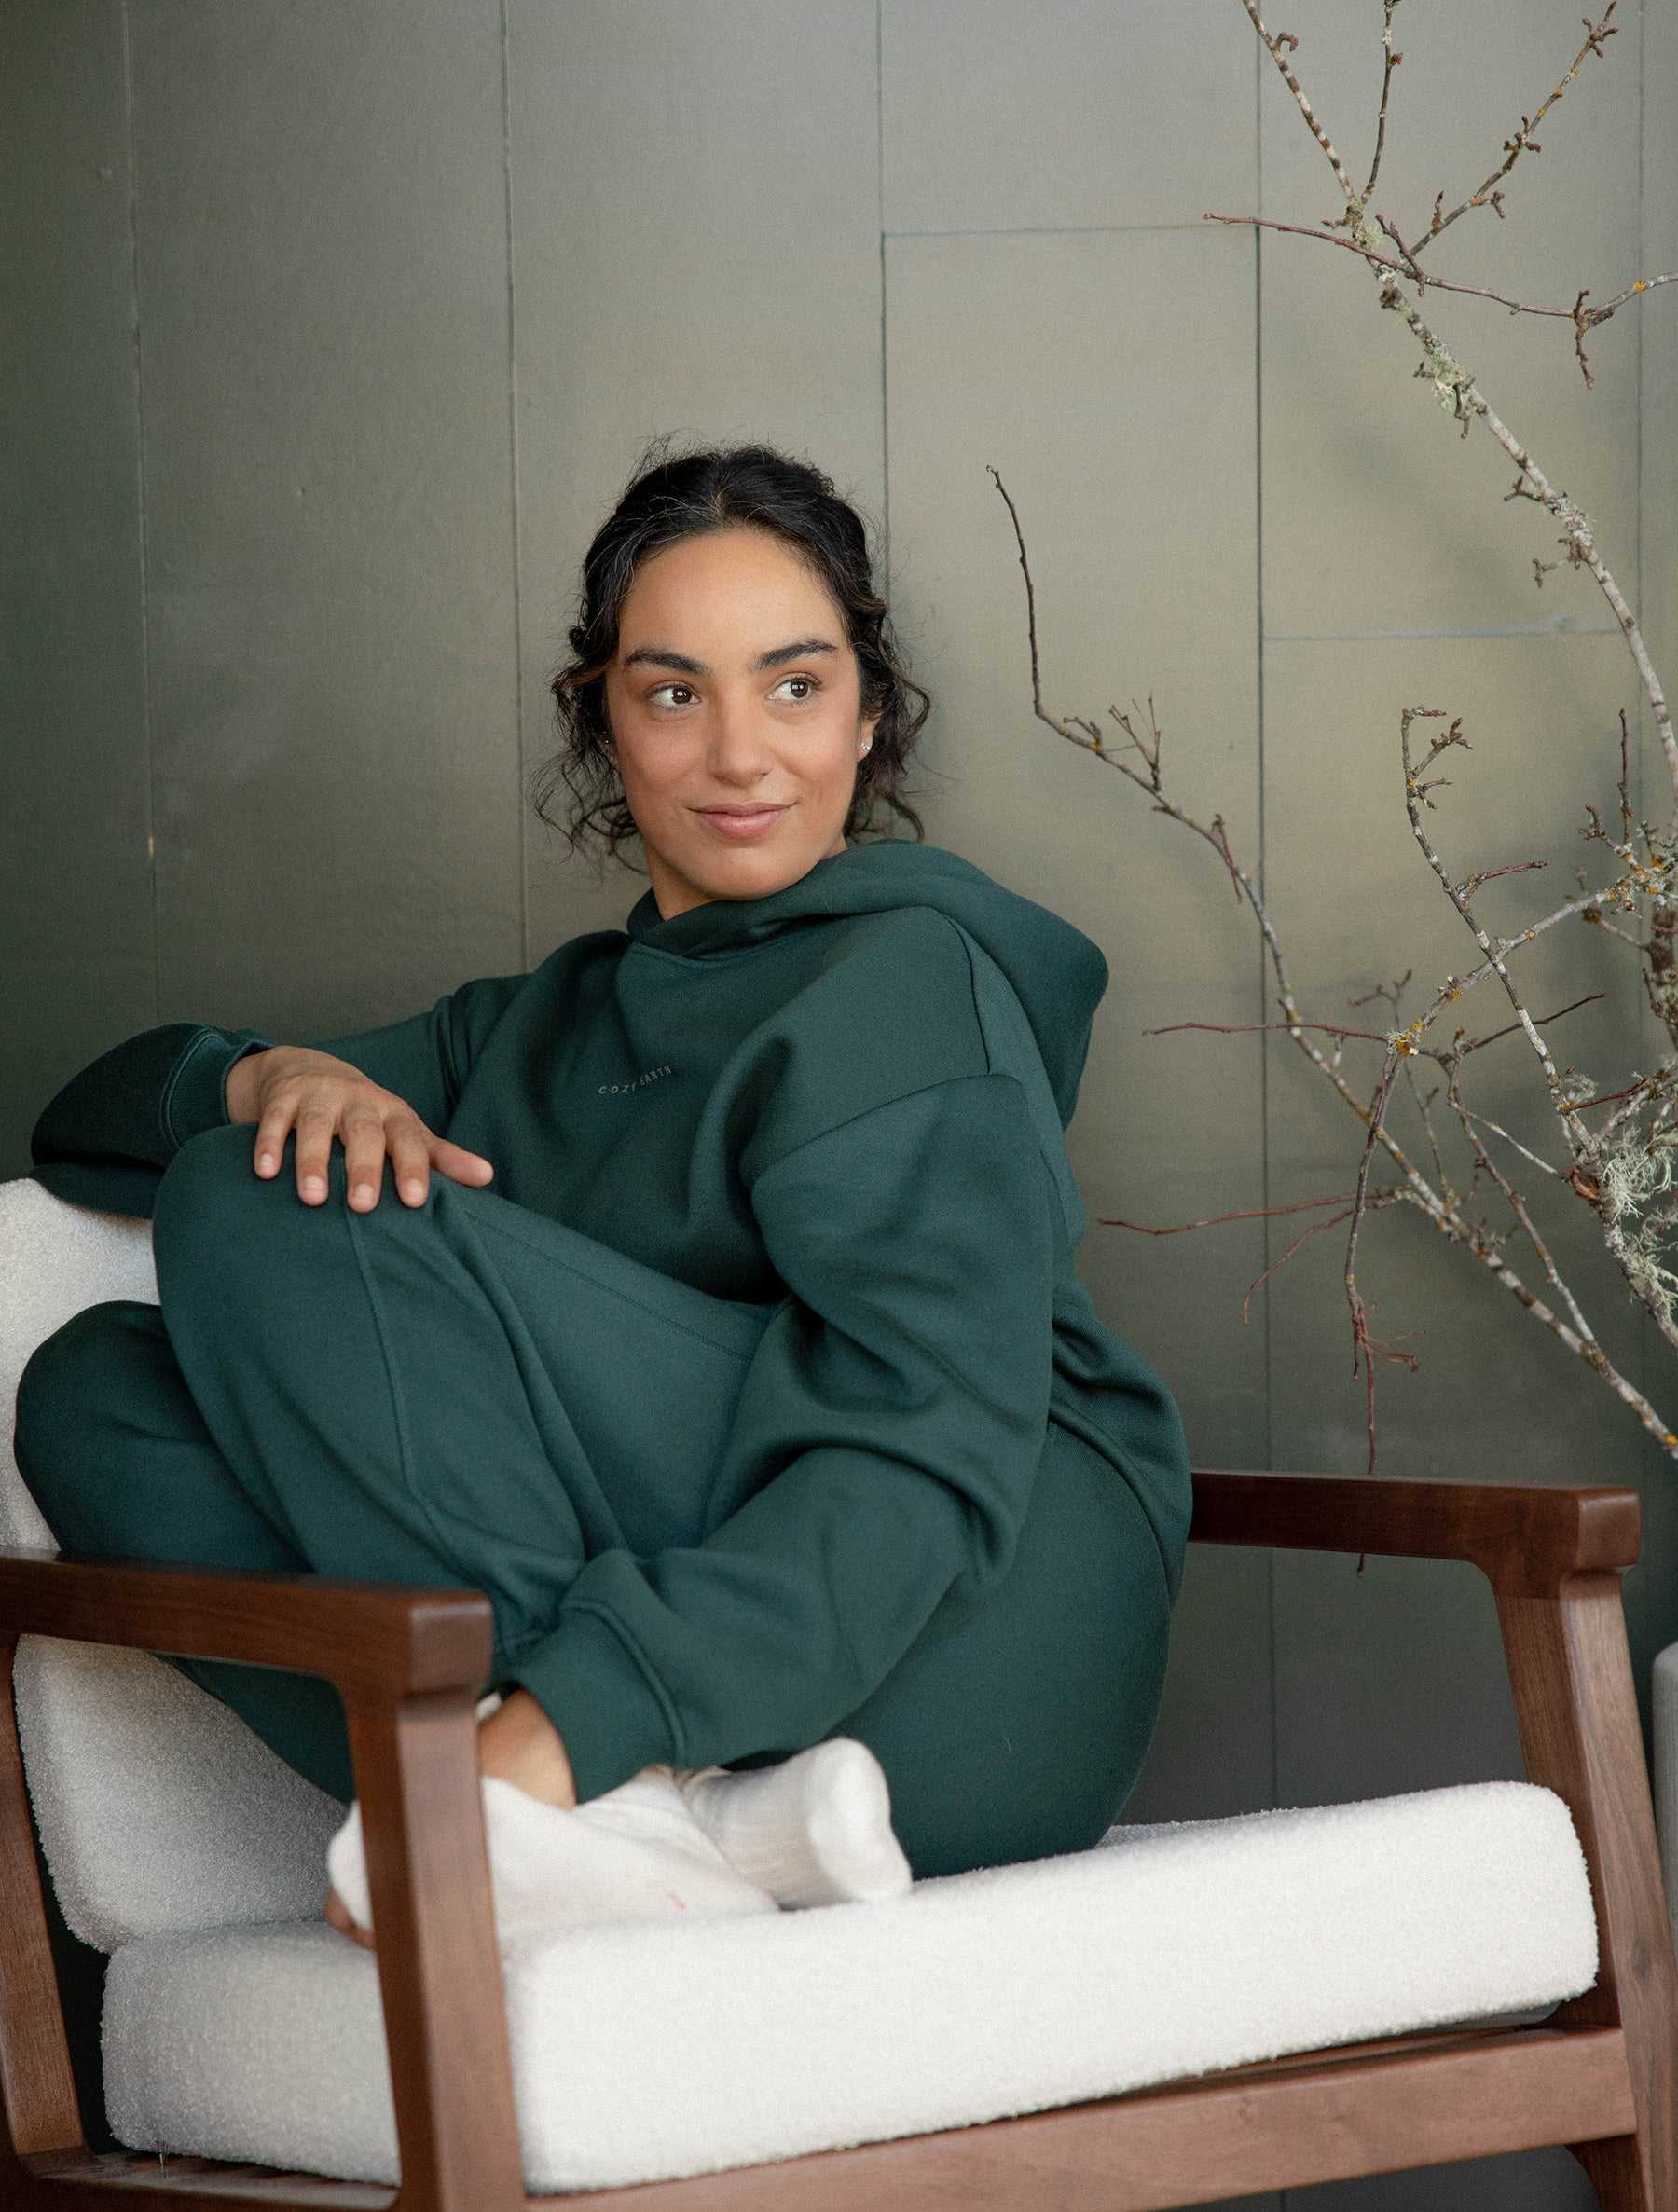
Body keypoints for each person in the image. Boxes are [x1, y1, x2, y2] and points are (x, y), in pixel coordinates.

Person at [13, 438, 1193, 1956]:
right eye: (673, 691)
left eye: (794, 684)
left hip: (979, 1661)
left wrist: (562, 1719)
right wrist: (269, 1078)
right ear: (604, 722)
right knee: (92, 1389)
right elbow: (83, 1122)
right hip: (783, 1757)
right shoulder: (538, 1027)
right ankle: (655, 1836)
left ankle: (545, 1787)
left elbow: (920, 1458)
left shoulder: (908, 985)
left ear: (868, 713)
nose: (742, 755)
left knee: (257, 1208)